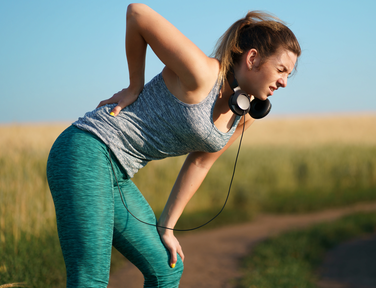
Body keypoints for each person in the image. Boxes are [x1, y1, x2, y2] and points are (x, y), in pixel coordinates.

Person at [46, 3, 301, 287]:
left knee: (166, 268)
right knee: (90, 279)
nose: (284, 82)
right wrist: (134, 85)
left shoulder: (243, 114)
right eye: (281, 69)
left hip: (116, 173)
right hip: (87, 149)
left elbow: (201, 161)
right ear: (252, 58)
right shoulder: (203, 74)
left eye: (289, 74)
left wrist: (167, 225)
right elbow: (137, 14)